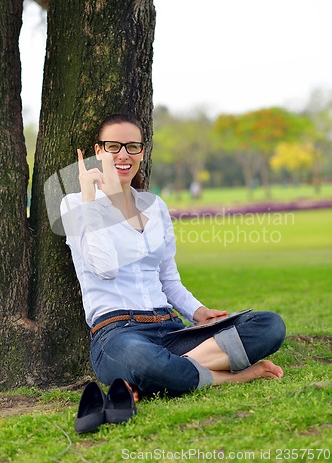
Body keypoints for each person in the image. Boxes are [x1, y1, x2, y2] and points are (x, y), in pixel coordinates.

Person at [60, 113, 286, 398]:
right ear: (98, 152)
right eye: (113, 146)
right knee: (143, 360)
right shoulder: (76, 203)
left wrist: (198, 311)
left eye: (132, 146)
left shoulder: (155, 207)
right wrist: (91, 200)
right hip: (119, 334)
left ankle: (161, 376)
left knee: (269, 326)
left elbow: (168, 279)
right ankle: (233, 377)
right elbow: (104, 268)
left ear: (142, 152)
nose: (123, 155)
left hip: (171, 330)